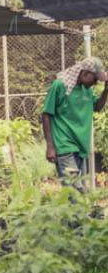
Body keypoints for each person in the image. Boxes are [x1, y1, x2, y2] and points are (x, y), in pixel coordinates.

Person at [42, 57, 108, 192]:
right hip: (64, 145)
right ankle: (86, 213)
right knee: (75, 189)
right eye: (95, 79)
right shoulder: (60, 86)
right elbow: (46, 114)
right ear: (85, 73)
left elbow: (97, 107)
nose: (95, 83)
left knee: (77, 190)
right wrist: (50, 146)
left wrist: (106, 90)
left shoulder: (87, 89)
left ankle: (81, 213)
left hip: (81, 147)